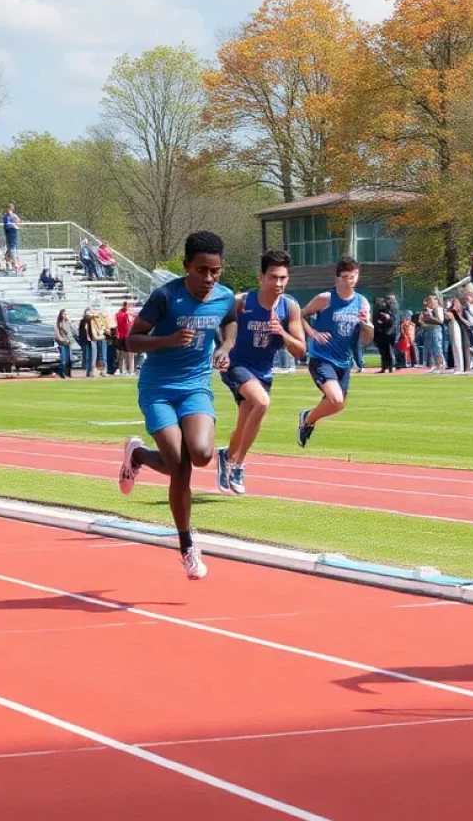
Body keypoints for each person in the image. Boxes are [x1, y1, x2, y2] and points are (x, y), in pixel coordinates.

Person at [117, 231, 237, 580]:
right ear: (186, 266)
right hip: (158, 388)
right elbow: (131, 340)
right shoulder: (166, 297)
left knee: (201, 455)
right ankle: (187, 546)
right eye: (201, 270)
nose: (209, 278)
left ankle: (138, 455)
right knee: (179, 468)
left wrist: (225, 348)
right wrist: (168, 340)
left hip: (196, 386)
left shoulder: (225, 296)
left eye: (215, 271)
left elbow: (230, 323)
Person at [215, 249, 306, 495]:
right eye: (273, 277)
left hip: (263, 371)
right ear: (261, 277)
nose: (278, 283)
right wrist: (222, 351)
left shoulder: (290, 308)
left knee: (245, 422)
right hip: (237, 365)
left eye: (283, 278)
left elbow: (300, 350)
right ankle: (239, 466)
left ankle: (227, 456)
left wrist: (282, 333)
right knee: (262, 402)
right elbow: (219, 326)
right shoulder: (242, 302)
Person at [296, 256, 373, 449]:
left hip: (344, 361)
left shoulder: (362, 303)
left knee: (339, 404)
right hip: (322, 358)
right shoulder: (326, 299)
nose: (349, 281)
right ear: (337, 278)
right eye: (345, 277)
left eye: (353, 277)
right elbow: (299, 315)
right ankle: (307, 420)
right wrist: (313, 333)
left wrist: (366, 324)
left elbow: (366, 340)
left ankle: (308, 419)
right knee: (336, 398)